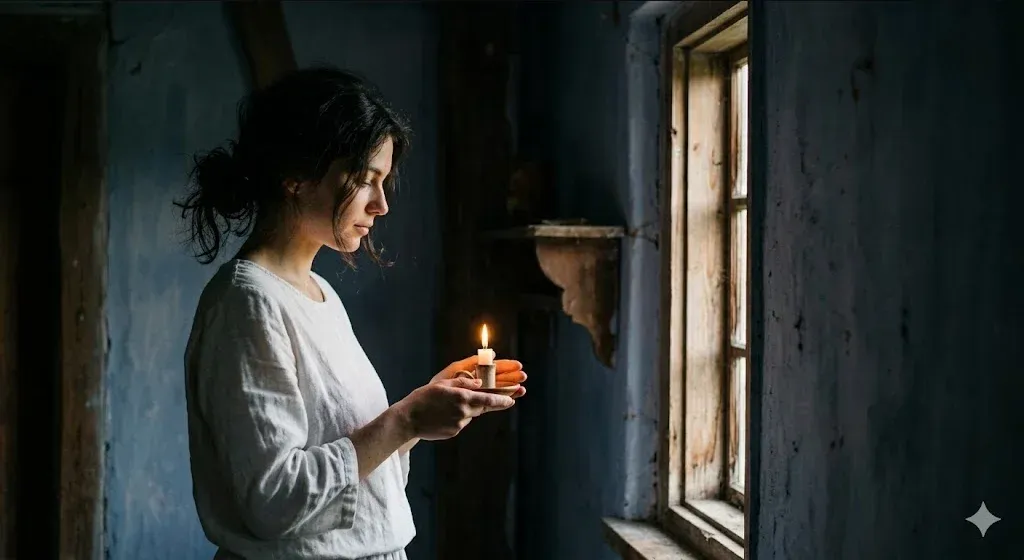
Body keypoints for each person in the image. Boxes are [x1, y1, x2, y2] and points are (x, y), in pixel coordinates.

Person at [175, 67, 527, 560]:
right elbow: (273, 501)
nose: (381, 205)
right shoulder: (246, 304)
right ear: (296, 176)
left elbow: (355, 479)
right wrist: (404, 421)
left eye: (383, 183)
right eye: (365, 180)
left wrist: (424, 414)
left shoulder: (319, 294)